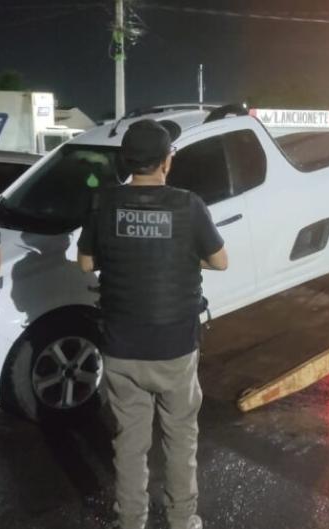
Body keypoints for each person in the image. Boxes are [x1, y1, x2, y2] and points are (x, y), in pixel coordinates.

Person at [77, 119, 227, 529]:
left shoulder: (104, 202)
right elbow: (219, 260)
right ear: (166, 161)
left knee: (129, 441)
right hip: (175, 345)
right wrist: (181, 256)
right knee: (180, 437)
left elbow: (86, 262)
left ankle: (132, 521)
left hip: (121, 344)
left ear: (128, 161)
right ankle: (182, 520)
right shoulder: (188, 203)